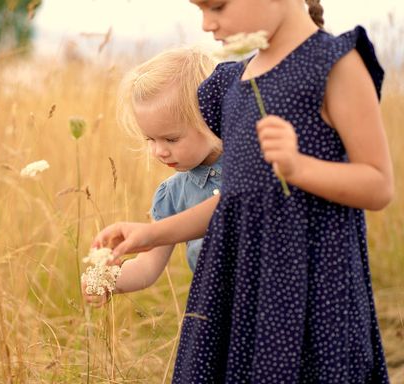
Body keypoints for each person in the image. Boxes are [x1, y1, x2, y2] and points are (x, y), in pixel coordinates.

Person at [92, 0, 394, 382]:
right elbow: (234, 202)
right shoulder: (231, 84)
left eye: (216, 6)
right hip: (237, 298)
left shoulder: (334, 65)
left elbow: (379, 185)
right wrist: (150, 233)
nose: (205, 24)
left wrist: (300, 167)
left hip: (315, 291)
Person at [83, 47, 223, 306]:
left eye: (171, 138)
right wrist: (107, 278)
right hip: (217, 313)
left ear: (210, 118)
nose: (159, 151)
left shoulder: (251, 166)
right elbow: (147, 267)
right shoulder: (172, 195)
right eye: (150, 139)